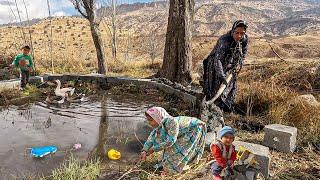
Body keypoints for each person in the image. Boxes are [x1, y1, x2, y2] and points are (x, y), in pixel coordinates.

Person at [140, 107, 207, 175]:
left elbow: (170, 141)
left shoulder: (171, 122)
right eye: (148, 120)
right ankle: (170, 165)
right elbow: (152, 137)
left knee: (178, 151)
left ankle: (173, 171)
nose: (149, 123)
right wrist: (144, 151)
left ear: (157, 118)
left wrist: (154, 149)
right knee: (169, 151)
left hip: (193, 128)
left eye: (151, 120)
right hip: (181, 131)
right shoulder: (161, 122)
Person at [202, 20, 248, 113]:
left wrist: (239, 64)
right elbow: (217, 59)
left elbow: (243, 54)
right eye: (237, 33)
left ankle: (226, 108)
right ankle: (214, 109)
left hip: (231, 66)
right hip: (215, 65)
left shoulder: (244, 40)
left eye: (242, 33)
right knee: (217, 86)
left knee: (230, 86)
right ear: (232, 31)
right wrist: (222, 75)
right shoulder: (224, 40)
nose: (239, 36)